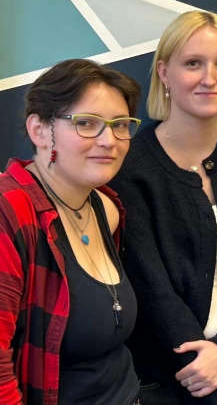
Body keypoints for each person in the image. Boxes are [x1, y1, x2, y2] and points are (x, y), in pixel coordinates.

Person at [110, 11, 217, 405]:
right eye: (193, 63)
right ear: (164, 72)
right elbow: (150, 286)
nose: (210, 78)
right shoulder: (128, 166)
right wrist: (205, 371)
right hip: (165, 381)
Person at [0, 58, 142, 405]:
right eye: (87, 123)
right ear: (39, 130)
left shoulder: (106, 207)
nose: (109, 140)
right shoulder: (10, 212)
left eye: (120, 125)